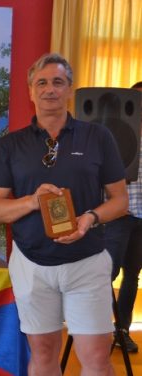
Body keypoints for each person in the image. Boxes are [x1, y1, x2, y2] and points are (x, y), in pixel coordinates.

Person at [0, 53, 129, 375]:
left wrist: (90, 217)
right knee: (44, 354)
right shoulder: (10, 145)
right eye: (42, 83)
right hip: (31, 265)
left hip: (87, 262)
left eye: (57, 82)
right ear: (30, 91)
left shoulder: (98, 137)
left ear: (69, 89)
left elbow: (120, 201)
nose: (50, 89)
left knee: (95, 358)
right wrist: (31, 202)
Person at [105, 80, 142, 353]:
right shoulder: (115, 134)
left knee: (132, 276)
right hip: (118, 215)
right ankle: (100, 329)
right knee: (106, 273)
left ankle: (123, 331)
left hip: (141, 218)